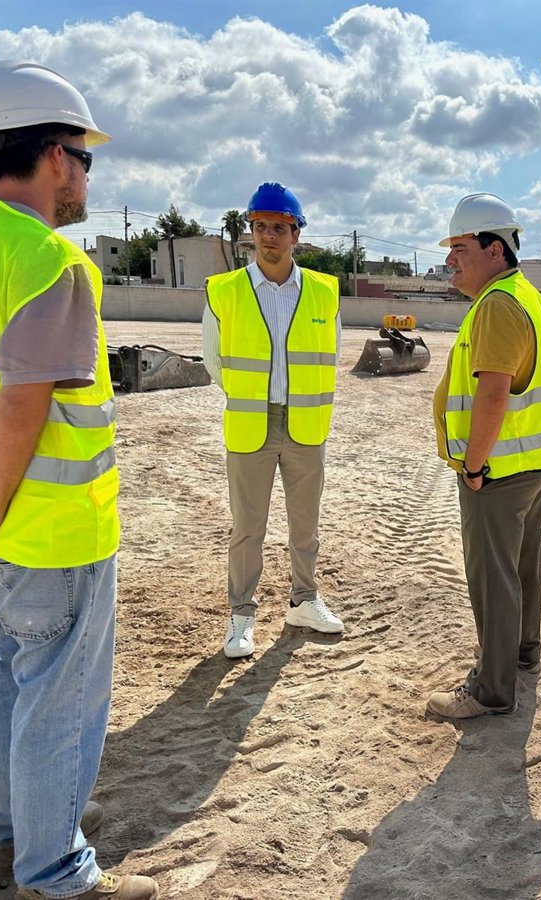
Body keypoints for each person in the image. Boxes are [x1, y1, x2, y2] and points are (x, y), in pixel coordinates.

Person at [0, 60, 156, 900]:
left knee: (4, 686)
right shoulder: (52, 261)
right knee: (59, 703)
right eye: (85, 158)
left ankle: (11, 837)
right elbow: (23, 400)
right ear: (54, 155)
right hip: (46, 526)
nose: (86, 176)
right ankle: (55, 872)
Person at [427, 193, 541, 719]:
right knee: (522, 564)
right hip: (534, 462)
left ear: (495, 250)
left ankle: (491, 689)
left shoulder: (496, 305)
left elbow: (492, 395)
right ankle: (523, 654)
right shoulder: (524, 294)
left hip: (498, 469)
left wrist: (473, 464)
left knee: (493, 576)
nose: (450, 260)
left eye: (460, 248)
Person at [203, 181, 345, 659]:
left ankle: (304, 601)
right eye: (261, 226)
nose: (269, 235)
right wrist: (250, 395)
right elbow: (213, 361)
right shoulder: (224, 291)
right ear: (251, 231)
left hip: (306, 423)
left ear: (296, 234)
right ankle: (241, 615)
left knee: (306, 526)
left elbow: (331, 353)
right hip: (251, 424)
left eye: (279, 227)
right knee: (248, 528)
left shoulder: (324, 292)